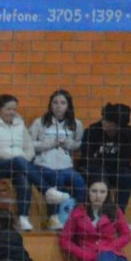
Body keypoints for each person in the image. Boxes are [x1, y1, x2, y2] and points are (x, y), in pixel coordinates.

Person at [0, 94, 71, 231]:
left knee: (23, 177)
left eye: (14, 109)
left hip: (19, 166)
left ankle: (23, 218)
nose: (12, 112)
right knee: (19, 161)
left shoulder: (20, 124)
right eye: (8, 109)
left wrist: (23, 160)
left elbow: (30, 148)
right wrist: (18, 158)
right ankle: (47, 191)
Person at [60, 181, 131, 261]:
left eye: (102, 192)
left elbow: (127, 235)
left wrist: (111, 247)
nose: (98, 195)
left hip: (113, 258)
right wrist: (83, 254)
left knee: (105, 256)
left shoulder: (115, 211)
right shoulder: (77, 212)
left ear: (107, 194)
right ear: (88, 192)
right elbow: (65, 240)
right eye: (94, 191)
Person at [30, 90, 88, 228]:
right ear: (50, 105)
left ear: (68, 106)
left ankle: (80, 216)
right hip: (44, 164)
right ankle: (53, 217)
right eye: (55, 102)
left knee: (80, 182)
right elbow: (29, 143)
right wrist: (49, 144)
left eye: (62, 103)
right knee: (58, 179)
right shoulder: (39, 122)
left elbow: (79, 144)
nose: (58, 106)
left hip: (66, 165)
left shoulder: (76, 123)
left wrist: (68, 143)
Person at [78, 102, 131, 212]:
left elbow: (126, 160)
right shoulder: (93, 130)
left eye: (108, 121)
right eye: (103, 118)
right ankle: (96, 213)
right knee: (101, 175)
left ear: (117, 126)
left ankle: (118, 214)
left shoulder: (129, 134)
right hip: (94, 167)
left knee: (127, 176)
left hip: (116, 168)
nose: (103, 122)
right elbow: (86, 156)